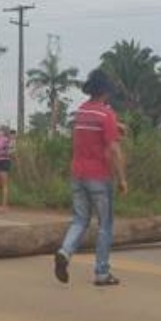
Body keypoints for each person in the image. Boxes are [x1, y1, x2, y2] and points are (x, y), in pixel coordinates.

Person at [53, 70, 128, 287]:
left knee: (80, 220)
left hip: (78, 173)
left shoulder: (81, 112)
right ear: (105, 92)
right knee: (105, 224)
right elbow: (114, 149)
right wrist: (122, 178)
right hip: (99, 176)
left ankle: (65, 252)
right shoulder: (106, 115)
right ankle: (102, 272)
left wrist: (117, 126)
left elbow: (93, 131)